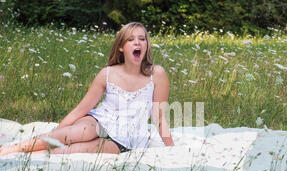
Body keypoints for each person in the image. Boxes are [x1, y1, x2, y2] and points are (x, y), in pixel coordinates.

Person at [0, 22, 174, 156]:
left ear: (146, 45)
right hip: (99, 122)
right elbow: (80, 110)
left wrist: (172, 150)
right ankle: (12, 149)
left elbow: (159, 118)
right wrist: (57, 133)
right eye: (131, 39)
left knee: (64, 152)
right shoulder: (107, 74)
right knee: (77, 133)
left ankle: (41, 150)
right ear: (121, 47)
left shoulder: (156, 74)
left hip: (127, 138)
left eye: (142, 39)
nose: (137, 42)